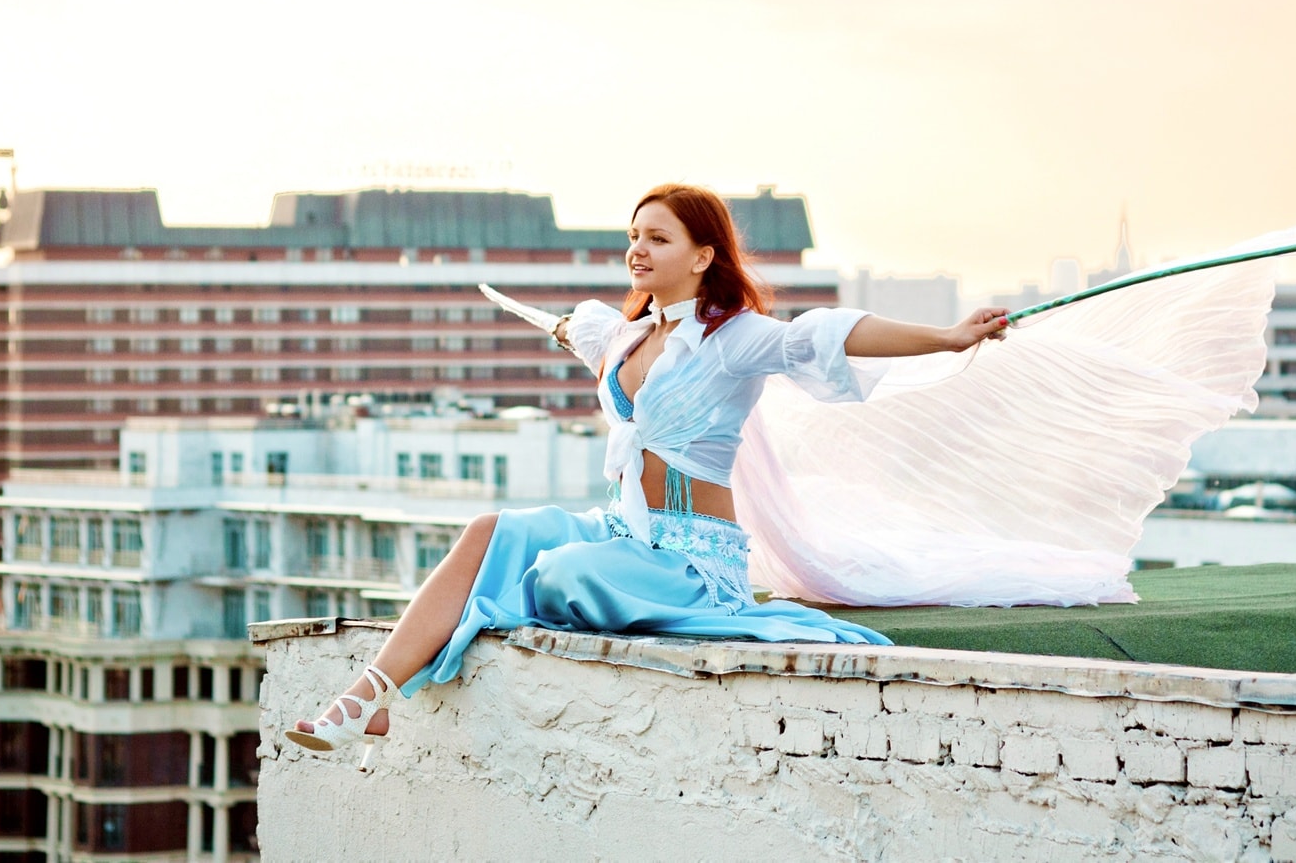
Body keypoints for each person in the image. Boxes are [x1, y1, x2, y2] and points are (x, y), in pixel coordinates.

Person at [286, 183, 1013, 770]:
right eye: (634, 235)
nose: (637, 249)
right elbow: (575, 327)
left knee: (562, 572)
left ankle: (431, 652)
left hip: (692, 559)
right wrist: (561, 324)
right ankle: (366, 698)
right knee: (490, 531)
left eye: (658, 238)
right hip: (623, 531)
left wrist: (948, 337)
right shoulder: (624, 332)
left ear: (703, 256)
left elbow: (824, 335)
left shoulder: (732, 340)